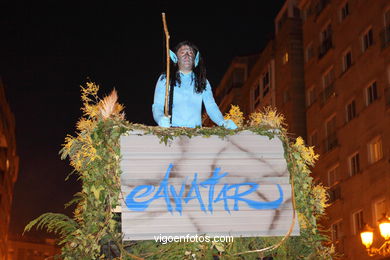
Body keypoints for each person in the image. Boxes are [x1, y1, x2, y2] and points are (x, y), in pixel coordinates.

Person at [152, 41, 237, 129]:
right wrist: (160, 119)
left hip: (196, 133)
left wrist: (222, 122)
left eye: (190, 53)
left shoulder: (202, 81)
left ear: (195, 59)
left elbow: (211, 106)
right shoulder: (165, 79)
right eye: (182, 52)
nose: (187, 55)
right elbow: (157, 105)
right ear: (175, 58)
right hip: (173, 131)